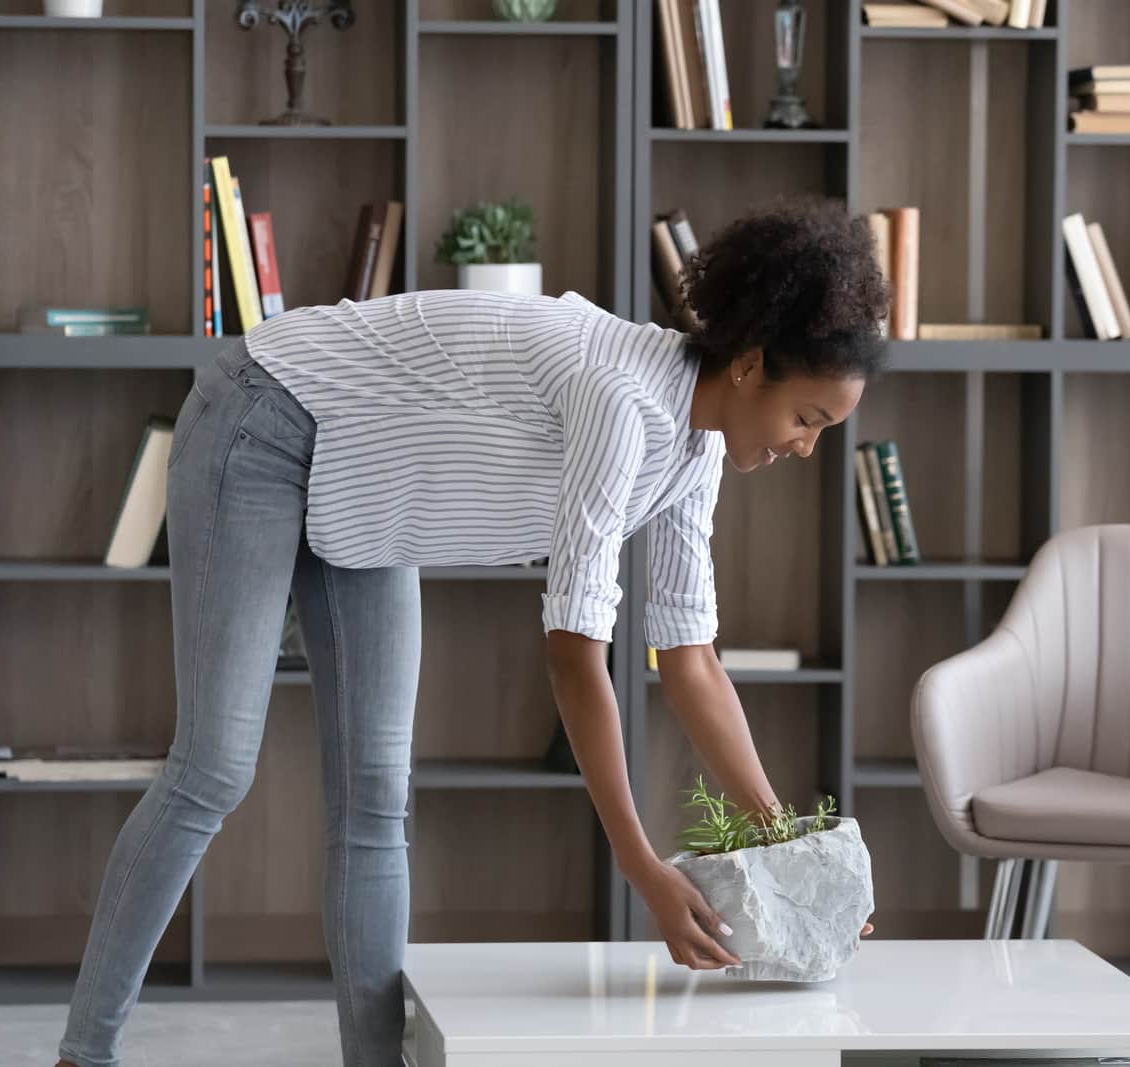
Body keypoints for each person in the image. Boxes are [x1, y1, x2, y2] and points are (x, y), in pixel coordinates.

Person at [53, 196, 890, 1067]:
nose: (806, 447)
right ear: (751, 364)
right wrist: (641, 864)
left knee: (377, 796)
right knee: (214, 768)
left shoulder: (695, 450)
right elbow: (574, 655)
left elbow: (690, 660)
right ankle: (87, 1053)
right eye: (809, 420)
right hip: (267, 417)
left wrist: (786, 844)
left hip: (366, 488)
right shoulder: (623, 400)